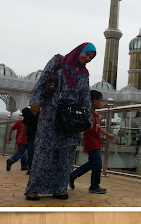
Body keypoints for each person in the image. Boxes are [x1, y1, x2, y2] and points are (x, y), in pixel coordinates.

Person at [24, 42, 96, 201]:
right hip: (52, 111)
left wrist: (89, 120)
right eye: (87, 54)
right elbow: (43, 80)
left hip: (71, 117)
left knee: (66, 152)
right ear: (80, 50)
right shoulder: (59, 61)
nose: (88, 58)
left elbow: (85, 96)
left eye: (91, 57)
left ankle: (60, 188)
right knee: (45, 149)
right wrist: (35, 99)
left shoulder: (84, 74)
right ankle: (34, 188)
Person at [69, 90, 115, 194]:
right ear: (94, 101)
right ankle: (94, 185)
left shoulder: (96, 114)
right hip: (91, 141)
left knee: (93, 163)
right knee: (97, 162)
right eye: (101, 101)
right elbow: (85, 126)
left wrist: (107, 134)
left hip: (96, 140)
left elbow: (99, 128)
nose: (102, 103)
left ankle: (73, 175)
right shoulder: (88, 114)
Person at [19, 107, 39, 175]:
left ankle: (31, 169)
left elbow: (25, 125)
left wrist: (21, 135)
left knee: (31, 153)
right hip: (42, 137)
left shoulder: (30, 114)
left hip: (32, 137)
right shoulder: (43, 114)